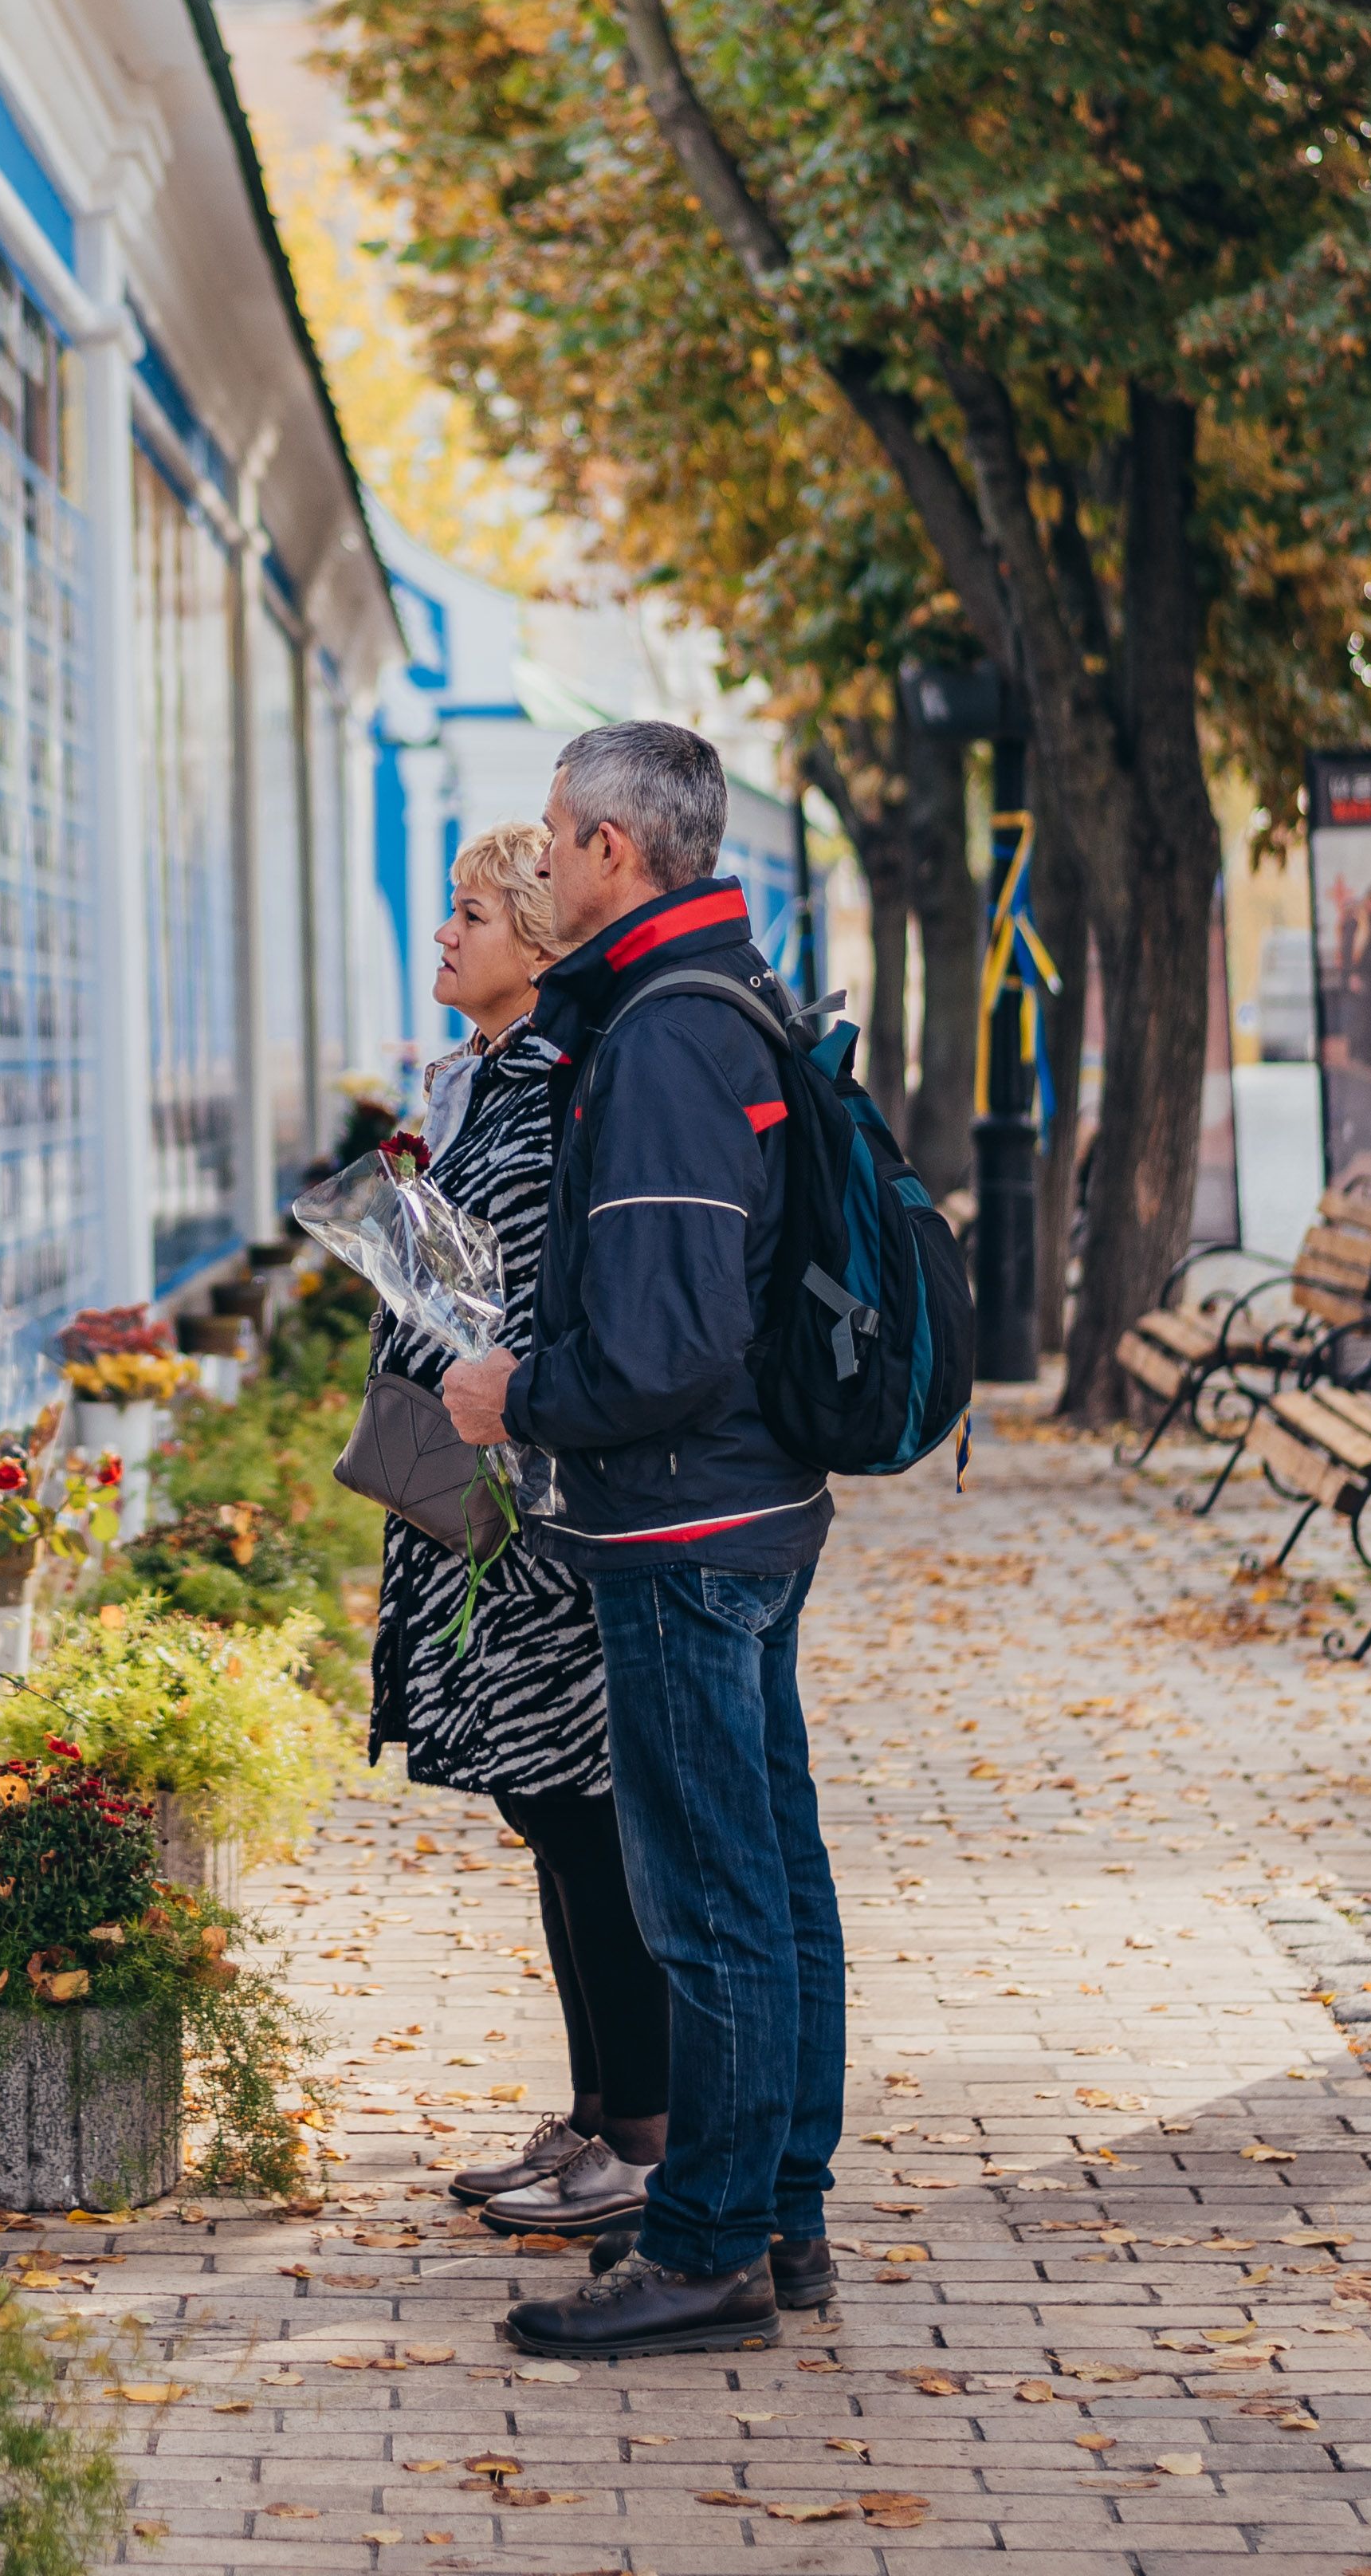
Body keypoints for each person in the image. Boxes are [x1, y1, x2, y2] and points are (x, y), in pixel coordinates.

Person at [440, 722, 843, 2358]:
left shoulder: (666, 1035)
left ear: (615, 847)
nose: (536, 857)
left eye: (553, 833)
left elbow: (663, 1340)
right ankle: (780, 2220)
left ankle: (704, 2248)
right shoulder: (707, 1001)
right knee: (772, 1885)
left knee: (714, 1903)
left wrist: (513, 1392)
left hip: (684, 1519)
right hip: (744, 1507)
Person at [367, 825, 663, 2236]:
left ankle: (643, 2137)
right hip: (492, 1494)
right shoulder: (485, 1081)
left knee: (575, 1807)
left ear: (538, 944)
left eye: (470, 914)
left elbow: (533, 1286)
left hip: (540, 1507)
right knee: (544, 1808)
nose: (445, 935)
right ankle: (597, 2116)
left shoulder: (548, 1091)